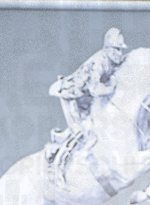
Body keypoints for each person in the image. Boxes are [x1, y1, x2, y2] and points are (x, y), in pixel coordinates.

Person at [46, 27, 129, 164]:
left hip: (87, 98)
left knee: (96, 124)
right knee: (80, 132)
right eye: (117, 49)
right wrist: (111, 88)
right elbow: (94, 89)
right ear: (109, 48)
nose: (119, 53)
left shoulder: (113, 62)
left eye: (121, 50)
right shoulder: (99, 62)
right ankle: (54, 147)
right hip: (72, 95)